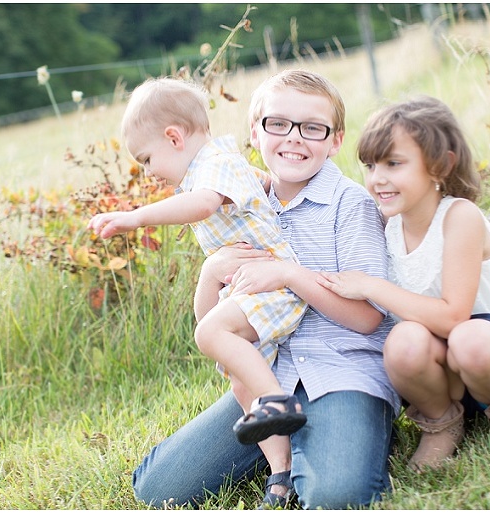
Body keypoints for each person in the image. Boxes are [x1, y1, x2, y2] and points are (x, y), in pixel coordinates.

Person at [131, 69, 400, 510]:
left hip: (342, 372)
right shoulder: (239, 204)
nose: (294, 138)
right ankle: (293, 449)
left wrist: (289, 274)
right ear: (254, 133)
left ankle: (349, 433)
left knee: (336, 495)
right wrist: (210, 272)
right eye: (277, 123)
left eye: (313, 128)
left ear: (335, 141)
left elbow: (370, 318)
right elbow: (212, 325)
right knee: (160, 490)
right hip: (269, 383)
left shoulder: (350, 206)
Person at [317, 96, 490, 471]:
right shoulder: (386, 222)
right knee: (401, 343)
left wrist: (370, 286)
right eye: (370, 165)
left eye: (393, 164)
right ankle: (443, 423)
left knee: (468, 339)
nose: (377, 178)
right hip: (444, 370)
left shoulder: (460, 217)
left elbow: (454, 317)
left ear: (440, 165)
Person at [87, 77, 309, 471]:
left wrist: (136, 218)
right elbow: (260, 183)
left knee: (210, 334)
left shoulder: (215, 166)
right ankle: (281, 468)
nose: (148, 172)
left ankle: (278, 400)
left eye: (146, 159)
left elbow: (204, 204)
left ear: (174, 138)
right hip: (249, 291)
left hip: (273, 287)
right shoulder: (219, 165)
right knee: (240, 381)